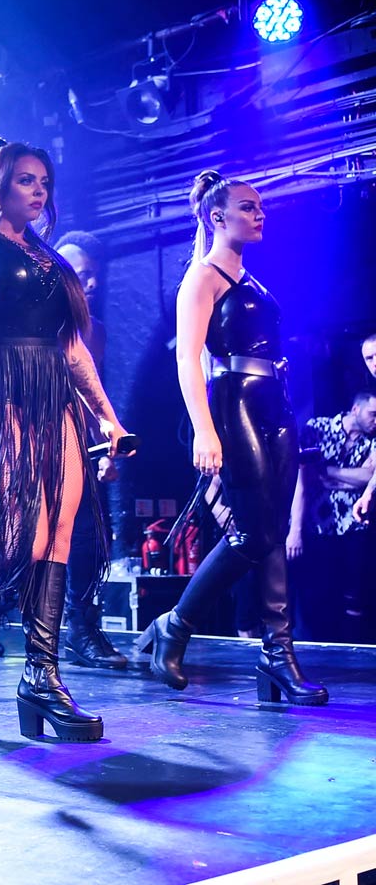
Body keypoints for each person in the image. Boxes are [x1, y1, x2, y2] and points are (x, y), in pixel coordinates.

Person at [0, 139, 131, 743]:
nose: (38, 192)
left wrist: (107, 418)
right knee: (25, 535)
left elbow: (71, 348)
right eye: (26, 181)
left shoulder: (48, 259)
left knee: (60, 530)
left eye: (44, 182)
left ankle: (41, 677)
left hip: (52, 391)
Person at [136, 170, 328, 705]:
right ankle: (175, 626)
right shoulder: (203, 276)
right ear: (217, 217)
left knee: (266, 532)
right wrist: (203, 428)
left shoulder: (252, 279)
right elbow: (186, 359)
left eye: (260, 207)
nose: (259, 214)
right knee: (250, 533)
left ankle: (277, 655)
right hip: (234, 400)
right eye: (248, 207)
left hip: (275, 402)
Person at [0, 231, 129, 671]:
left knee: (87, 537)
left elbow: (88, 383)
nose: (89, 282)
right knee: (25, 536)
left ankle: (76, 634)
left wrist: (105, 436)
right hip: (28, 424)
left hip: (77, 432)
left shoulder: (90, 329)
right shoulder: (30, 318)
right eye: (80, 273)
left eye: (93, 275)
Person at [288, 394, 375, 642]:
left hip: (353, 527)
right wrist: (354, 477)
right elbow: (306, 476)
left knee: (354, 596)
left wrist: (329, 472)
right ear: (355, 408)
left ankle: (352, 653)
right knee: (317, 593)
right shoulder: (317, 428)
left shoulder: (373, 441)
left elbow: (369, 478)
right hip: (316, 525)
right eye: (373, 414)